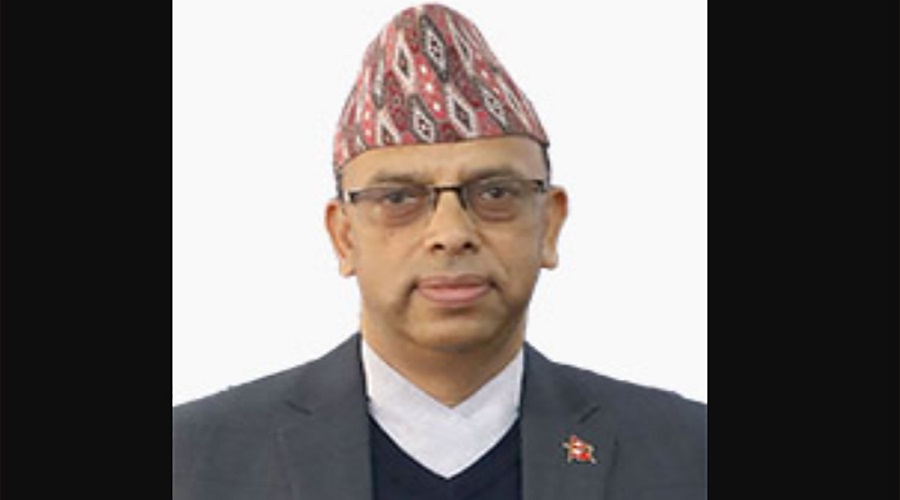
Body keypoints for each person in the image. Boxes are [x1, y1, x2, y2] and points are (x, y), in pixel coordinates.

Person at [172, 3, 706, 499]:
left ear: (549, 223)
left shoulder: (688, 454)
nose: (450, 233)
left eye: (495, 194)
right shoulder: (194, 460)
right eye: (398, 198)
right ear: (344, 236)